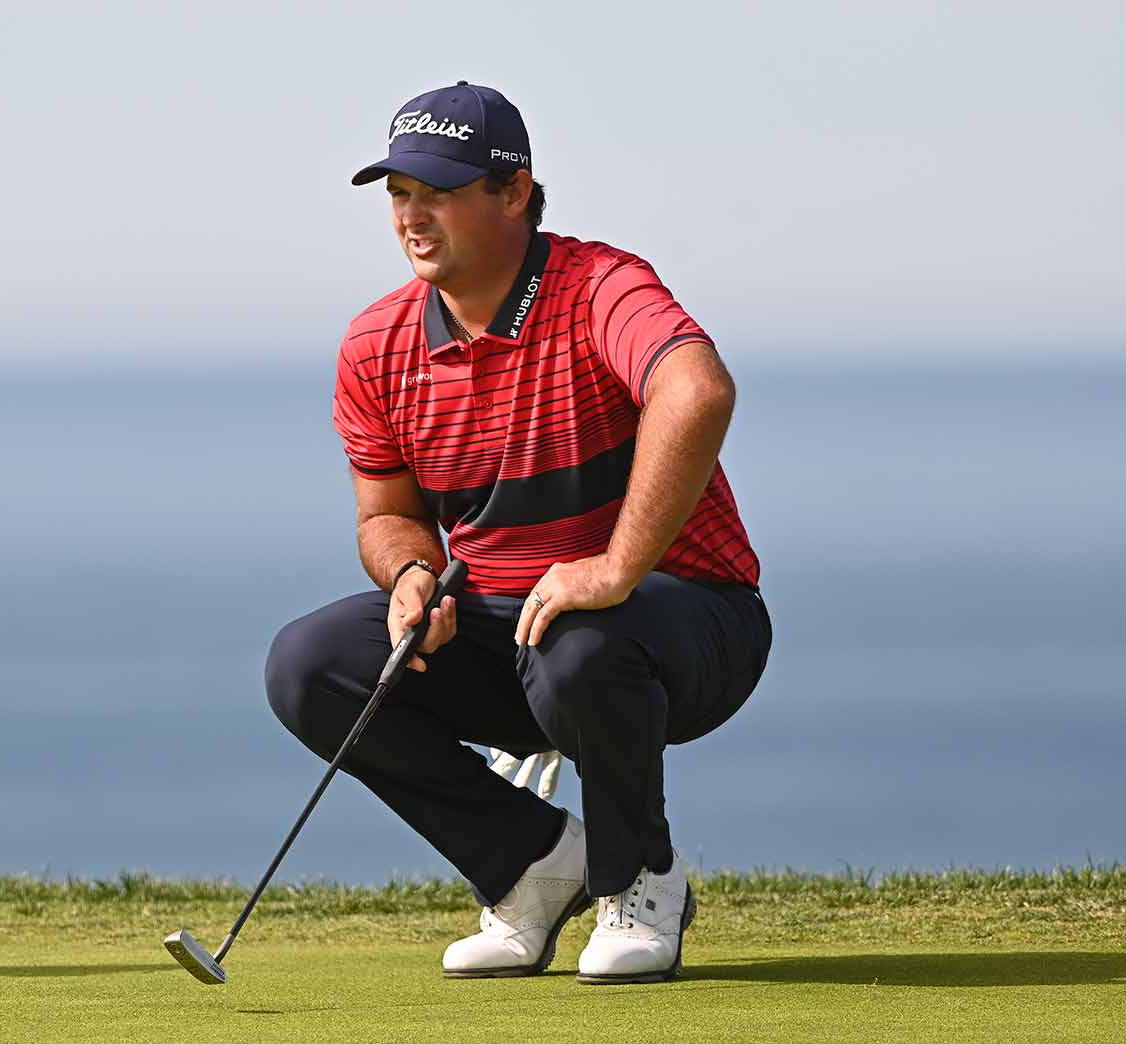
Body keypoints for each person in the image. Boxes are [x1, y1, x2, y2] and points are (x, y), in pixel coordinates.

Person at [264, 81, 772, 985]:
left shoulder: (599, 287)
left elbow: (698, 390)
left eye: (440, 190)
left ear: (515, 193)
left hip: (689, 624)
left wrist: (614, 567)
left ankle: (638, 877)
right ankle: (532, 866)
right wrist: (413, 576)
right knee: (312, 665)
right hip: (511, 629)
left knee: (581, 643)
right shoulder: (376, 345)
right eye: (398, 192)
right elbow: (388, 516)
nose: (413, 216)